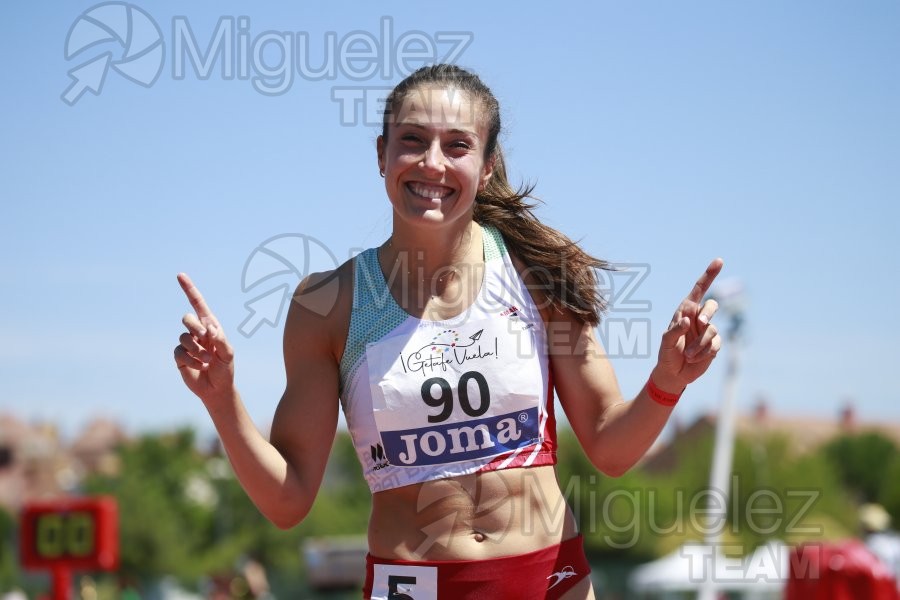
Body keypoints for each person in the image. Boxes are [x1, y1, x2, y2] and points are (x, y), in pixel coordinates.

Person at [174, 63, 723, 599]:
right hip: (412, 586)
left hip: (548, 580)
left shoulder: (538, 273)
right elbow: (288, 501)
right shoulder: (329, 304)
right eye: (412, 140)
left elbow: (610, 446)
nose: (432, 163)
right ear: (381, 155)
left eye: (457, 145)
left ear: (486, 167)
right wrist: (222, 399)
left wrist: (666, 381)